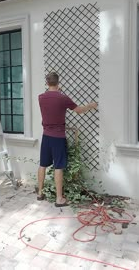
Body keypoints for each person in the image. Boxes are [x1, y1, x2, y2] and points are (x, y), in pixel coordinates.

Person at [38, 72, 97, 207]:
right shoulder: (63, 98)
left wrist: (57, 91)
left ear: (47, 83)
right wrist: (91, 105)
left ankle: (40, 193)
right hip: (58, 137)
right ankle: (59, 199)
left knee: (42, 164)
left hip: (46, 136)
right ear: (59, 82)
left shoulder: (41, 97)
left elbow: (51, 100)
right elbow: (79, 110)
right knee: (58, 166)